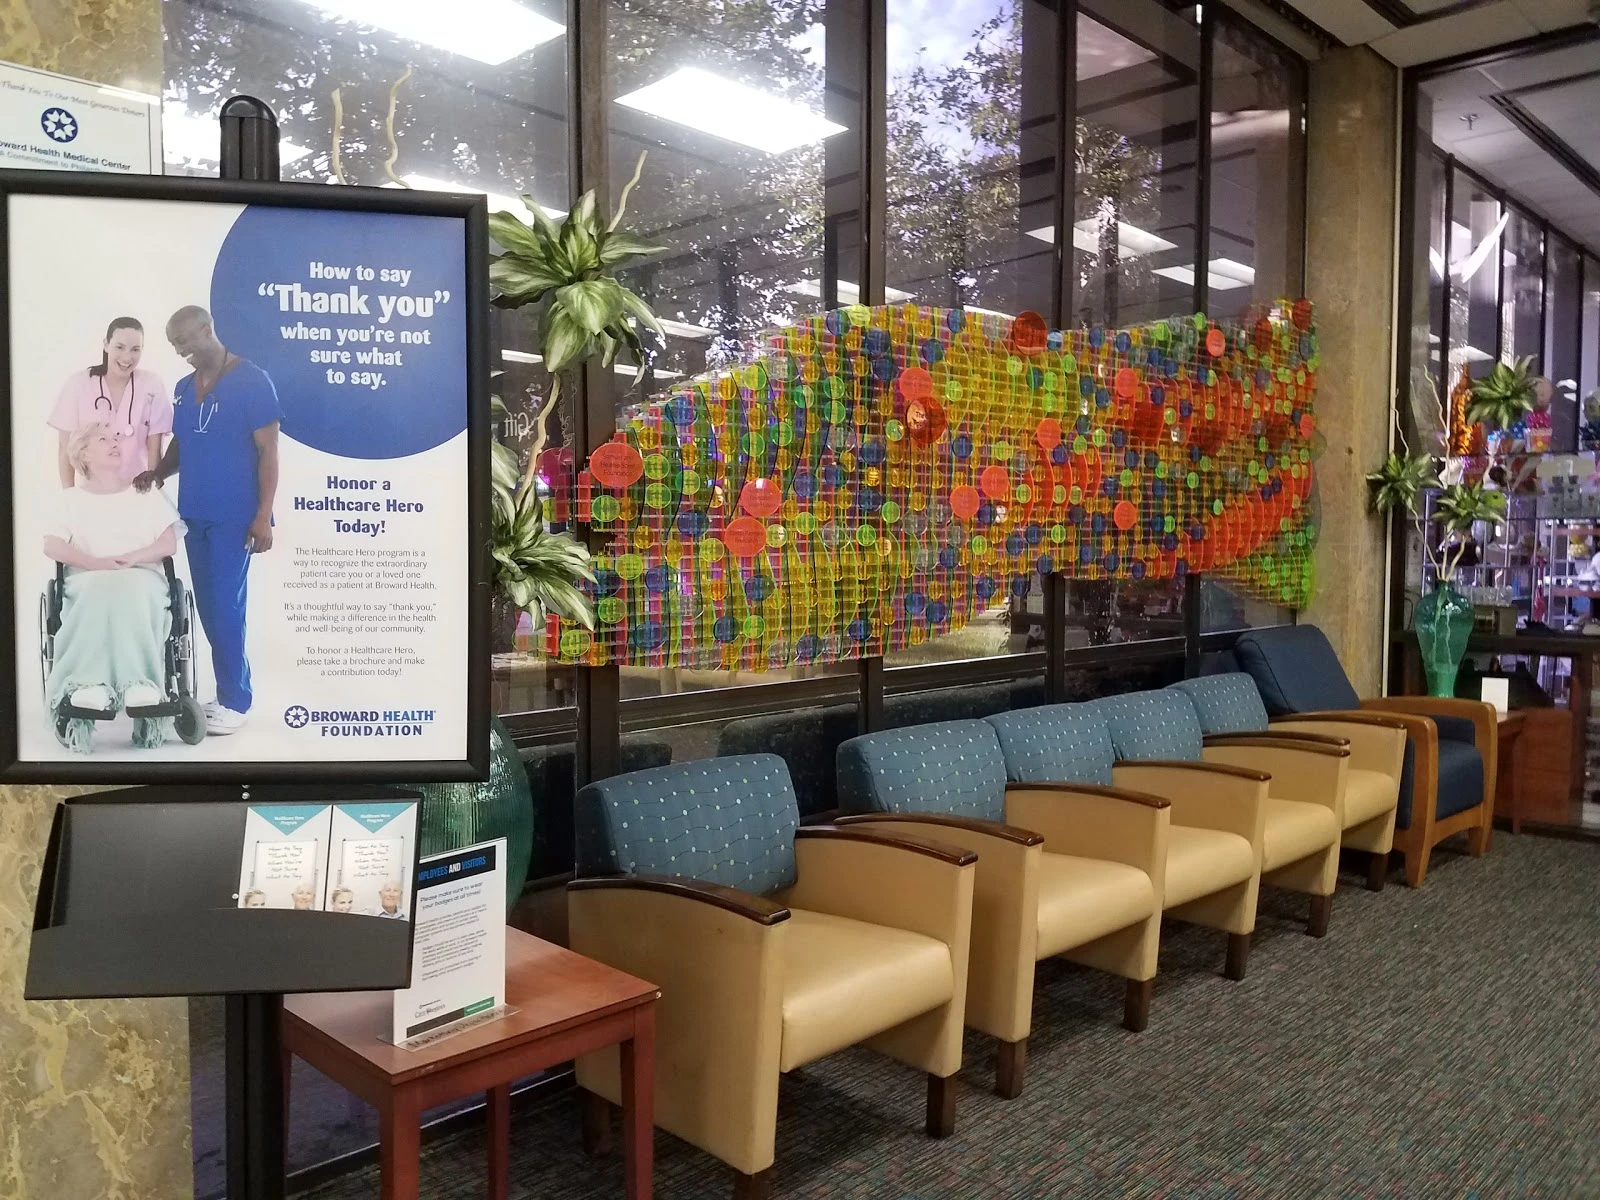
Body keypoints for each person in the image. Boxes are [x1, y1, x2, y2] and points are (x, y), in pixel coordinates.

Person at [135, 306, 280, 737]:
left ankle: (236, 701)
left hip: (235, 516)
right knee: (210, 607)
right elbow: (183, 442)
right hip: (194, 513)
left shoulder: (253, 381)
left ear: (206, 329)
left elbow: (269, 452)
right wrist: (158, 473)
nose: (179, 351)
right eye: (173, 345)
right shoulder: (184, 388)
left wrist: (263, 517)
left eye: (184, 341)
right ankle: (226, 693)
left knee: (226, 606)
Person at [43, 421, 182, 753]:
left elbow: (168, 543)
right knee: (100, 588)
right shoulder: (69, 500)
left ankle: (139, 684)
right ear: (83, 453)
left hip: (141, 577)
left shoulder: (145, 493)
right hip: (87, 579)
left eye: (117, 437)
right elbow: (52, 545)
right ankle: (89, 684)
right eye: (103, 439)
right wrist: (96, 563)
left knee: (129, 587)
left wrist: (133, 557)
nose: (115, 442)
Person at [49, 317, 171, 487]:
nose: (127, 357)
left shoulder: (151, 385)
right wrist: (69, 494)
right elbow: (65, 447)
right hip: (93, 491)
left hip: (138, 491)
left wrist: (152, 493)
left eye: (135, 349)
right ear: (106, 345)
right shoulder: (79, 384)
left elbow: (155, 449)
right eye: (120, 347)